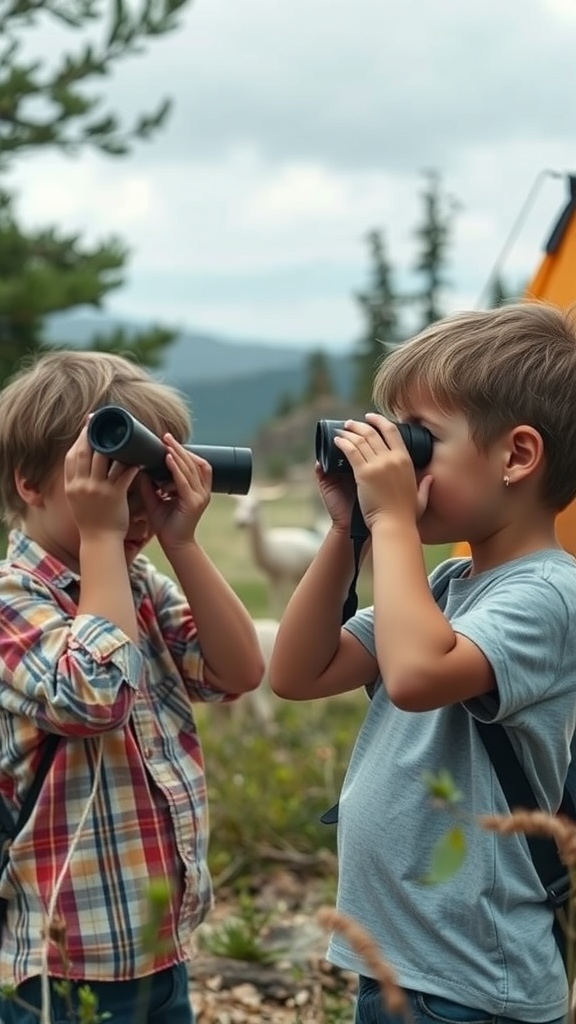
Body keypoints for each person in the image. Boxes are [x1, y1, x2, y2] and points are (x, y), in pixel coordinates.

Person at [269, 301, 576, 1024]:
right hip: (401, 963)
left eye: (420, 440)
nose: (397, 463)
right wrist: (351, 532)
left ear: (517, 455)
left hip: (470, 982)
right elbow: (299, 672)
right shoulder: (443, 586)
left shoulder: (552, 594)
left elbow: (413, 678)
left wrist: (394, 520)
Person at [0, 350, 264, 1024]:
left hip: (159, 947)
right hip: (59, 965)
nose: (135, 507)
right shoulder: (12, 600)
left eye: (151, 481)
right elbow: (96, 696)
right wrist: (101, 535)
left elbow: (236, 672)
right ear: (32, 482)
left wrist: (182, 543)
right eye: (113, 480)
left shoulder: (139, 583)